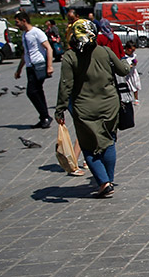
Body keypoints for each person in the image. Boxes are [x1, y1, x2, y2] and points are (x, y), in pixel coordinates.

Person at [55, 20, 131, 198]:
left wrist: (60, 109)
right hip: (109, 105)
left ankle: (104, 182)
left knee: (88, 146)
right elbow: (123, 70)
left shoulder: (70, 57)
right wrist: (129, 64)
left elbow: (65, 86)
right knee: (109, 140)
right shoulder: (104, 51)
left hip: (84, 108)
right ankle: (109, 181)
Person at [13, 10, 55, 129]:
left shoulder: (36, 32)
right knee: (37, 91)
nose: (17, 25)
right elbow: (25, 53)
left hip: (39, 65)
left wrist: (49, 66)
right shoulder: (24, 35)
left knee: (31, 91)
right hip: (30, 66)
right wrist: (19, 69)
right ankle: (44, 117)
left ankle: (45, 116)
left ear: (24, 20)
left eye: (17, 22)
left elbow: (49, 48)